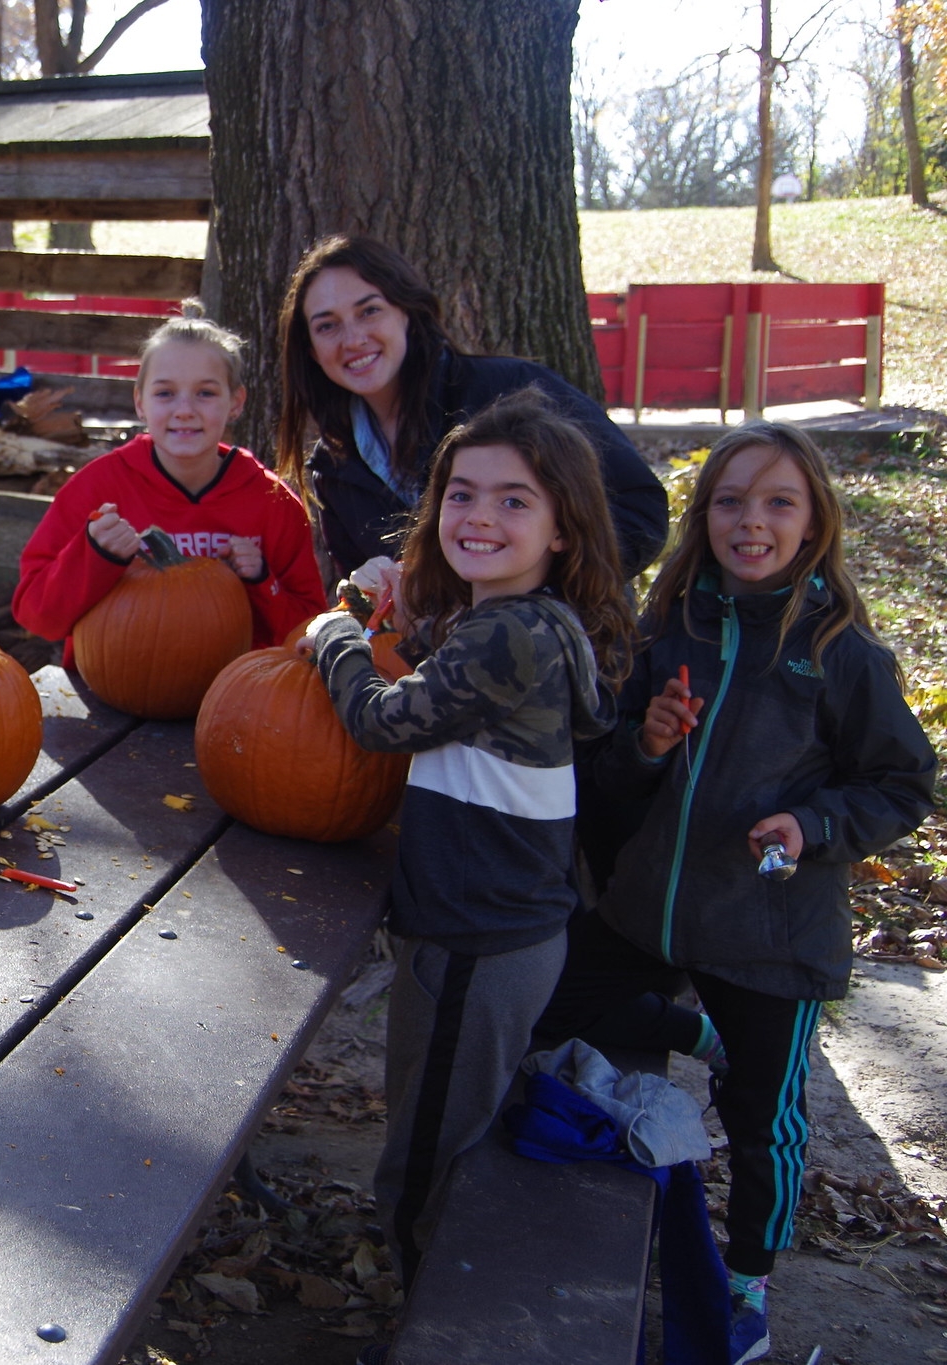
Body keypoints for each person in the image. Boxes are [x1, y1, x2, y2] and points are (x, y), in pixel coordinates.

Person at [534, 421, 935, 1365]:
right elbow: (609, 782)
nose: (751, 521)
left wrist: (814, 826)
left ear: (815, 522)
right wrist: (647, 744)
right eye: (730, 500)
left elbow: (903, 783)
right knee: (547, 999)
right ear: (703, 513)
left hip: (768, 934)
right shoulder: (669, 628)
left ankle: (748, 1284)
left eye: (778, 501)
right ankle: (693, 1031)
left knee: (765, 1119)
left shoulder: (838, 651)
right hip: (647, 915)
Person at [296, 388, 636, 1298]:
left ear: (562, 528)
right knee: (446, 1118)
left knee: (427, 1155)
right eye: (461, 494)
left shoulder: (507, 635)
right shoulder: (536, 624)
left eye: (514, 500)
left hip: (475, 941)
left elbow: (379, 720)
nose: (479, 514)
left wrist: (337, 639)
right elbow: (458, 685)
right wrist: (405, 626)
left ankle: (430, 1315)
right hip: (504, 930)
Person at [276, 234, 668, 592]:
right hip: (434, 665)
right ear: (311, 350)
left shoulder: (512, 393)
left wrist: (530, 588)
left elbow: (641, 511)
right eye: (327, 326)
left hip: (556, 652)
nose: (354, 339)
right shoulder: (335, 468)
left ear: (407, 313)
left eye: (369, 311)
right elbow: (375, 603)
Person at [13, 305, 328, 656]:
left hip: (238, 691)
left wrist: (260, 580)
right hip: (114, 685)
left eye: (205, 393)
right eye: (165, 393)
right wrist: (94, 554)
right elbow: (34, 615)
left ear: (236, 402)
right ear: (140, 402)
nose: (184, 410)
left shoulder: (273, 502)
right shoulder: (98, 489)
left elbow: (308, 634)